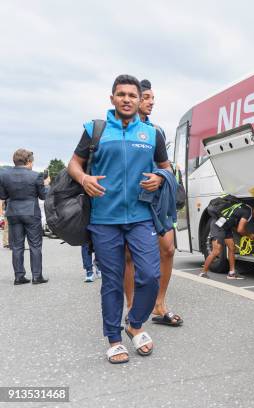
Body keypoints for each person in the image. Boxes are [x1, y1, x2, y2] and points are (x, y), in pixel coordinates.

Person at [67, 74, 171, 364]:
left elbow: (167, 167)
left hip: (141, 216)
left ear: (139, 101)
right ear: (112, 98)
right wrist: (84, 177)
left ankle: (135, 323)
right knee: (112, 281)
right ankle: (114, 339)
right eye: (121, 94)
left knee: (150, 275)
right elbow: (74, 163)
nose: (127, 99)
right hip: (104, 218)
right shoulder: (96, 129)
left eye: (132, 95)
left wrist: (160, 177)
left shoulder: (152, 134)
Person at [123, 79, 182, 327]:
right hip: (129, 199)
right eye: (146, 97)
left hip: (156, 199)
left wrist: (161, 177)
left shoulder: (156, 131)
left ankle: (159, 304)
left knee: (167, 249)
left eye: (152, 99)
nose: (151, 102)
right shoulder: (121, 128)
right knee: (128, 256)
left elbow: (164, 166)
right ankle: (132, 307)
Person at [0, 149, 49, 285]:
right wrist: (46, 185)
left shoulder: (4, 175)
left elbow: (3, 196)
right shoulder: (36, 176)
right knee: (35, 245)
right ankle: (37, 276)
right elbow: (43, 196)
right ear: (28, 161)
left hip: (13, 212)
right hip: (31, 212)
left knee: (16, 246)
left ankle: (19, 276)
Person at [200, 203, 254, 280]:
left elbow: (234, 224)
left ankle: (232, 273)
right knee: (216, 251)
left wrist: (243, 234)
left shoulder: (244, 207)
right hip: (218, 226)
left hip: (226, 226)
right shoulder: (248, 212)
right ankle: (203, 273)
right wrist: (250, 235)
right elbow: (240, 229)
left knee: (232, 248)